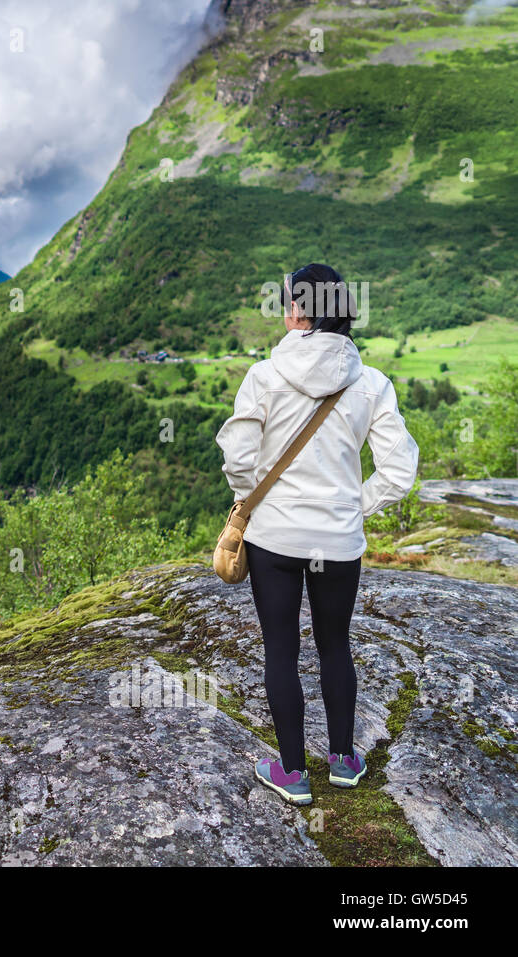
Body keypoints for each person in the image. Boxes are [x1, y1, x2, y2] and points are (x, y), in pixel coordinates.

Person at [216, 263, 418, 806]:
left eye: (286, 300)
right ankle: (345, 762)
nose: (283, 308)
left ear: (303, 311)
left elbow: (237, 457)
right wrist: (355, 505)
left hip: (274, 539)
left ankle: (291, 774)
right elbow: (399, 471)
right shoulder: (371, 382)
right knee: (335, 646)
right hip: (338, 542)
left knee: (279, 651)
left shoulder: (263, 375)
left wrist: (250, 495)